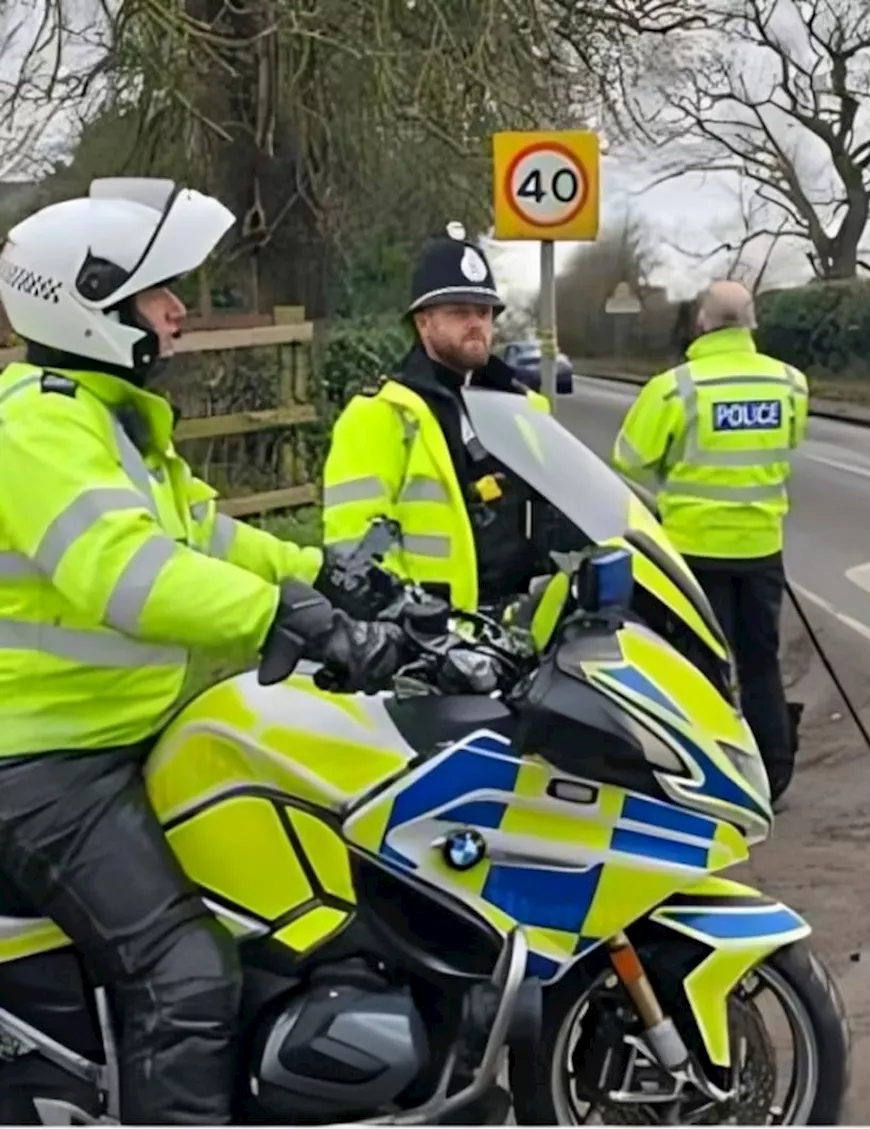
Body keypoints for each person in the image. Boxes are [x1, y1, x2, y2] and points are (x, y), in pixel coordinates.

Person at [0, 177, 409, 1124]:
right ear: (89, 302)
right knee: (184, 976)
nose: (180, 310)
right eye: (158, 293)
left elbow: (206, 539)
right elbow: (125, 571)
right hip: (45, 762)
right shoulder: (38, 424)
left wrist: (330, 575)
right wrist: (281, 622)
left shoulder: (108, 421)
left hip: (118, 738)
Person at [610, 280, 809, 807]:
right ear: (752, 324)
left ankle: (710, 774)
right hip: (762, 548)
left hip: (692, 550)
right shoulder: (790, 384)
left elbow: (628, 458)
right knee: (761, 661)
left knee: (698, 665)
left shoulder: (676, 389)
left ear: (701, 322)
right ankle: (773, 771)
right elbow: (787, 444)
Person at [321, 224, 553, 615]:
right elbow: (356, 548)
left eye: (483, 312)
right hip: (433, 642)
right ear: (423, 322)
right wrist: (407, 619)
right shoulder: (381, 414)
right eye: (459, 312)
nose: (476, 324)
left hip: (522, 621)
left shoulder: (523, 407)